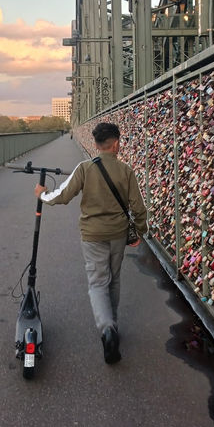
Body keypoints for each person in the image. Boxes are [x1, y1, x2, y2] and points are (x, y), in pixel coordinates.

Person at [34, 122, 147, 364]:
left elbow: (62, 195)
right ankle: (113, 324)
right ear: (116, 144)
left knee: (97, 282)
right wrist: (139, 232)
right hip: (117, 234)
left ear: (96, 144)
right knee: (114, 279)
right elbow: (138, 208)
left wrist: (42, 195)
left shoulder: (85, 168)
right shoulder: (126, 171)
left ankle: (107, 329)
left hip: (92, 234)